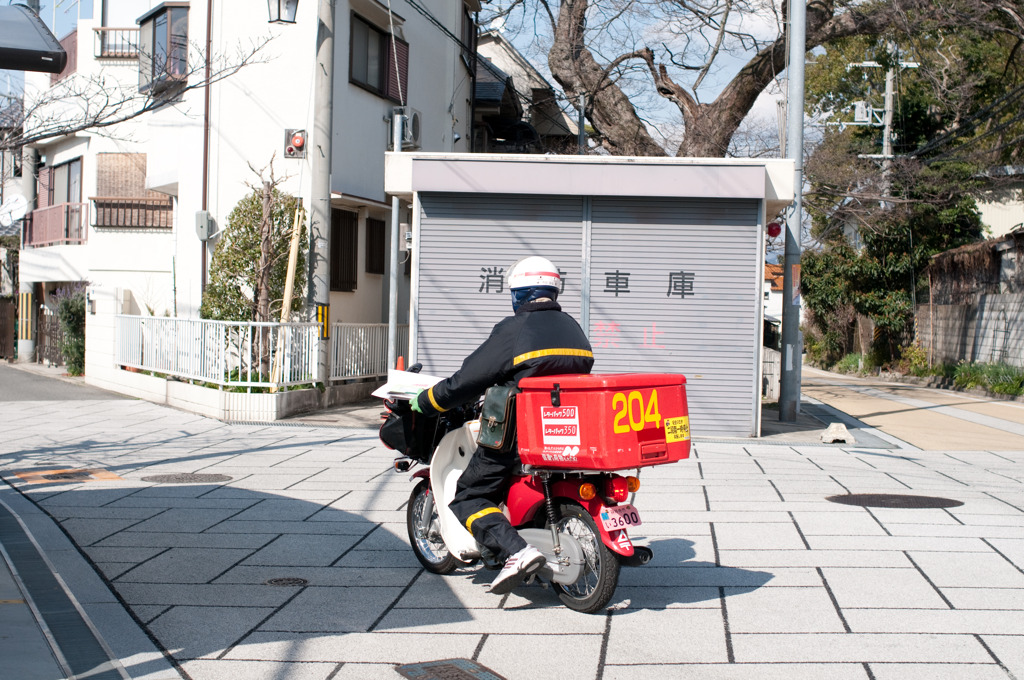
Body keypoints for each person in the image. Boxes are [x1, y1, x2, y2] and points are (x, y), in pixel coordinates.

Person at [411, 256, 595, 594]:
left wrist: (426, 401)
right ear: (554, 291)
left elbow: (467, 380)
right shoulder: (573, 327)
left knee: (469, 495)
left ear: (520, 294)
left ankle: (518, 552)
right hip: (563, 431)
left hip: (514, 433)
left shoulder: (514, 330)